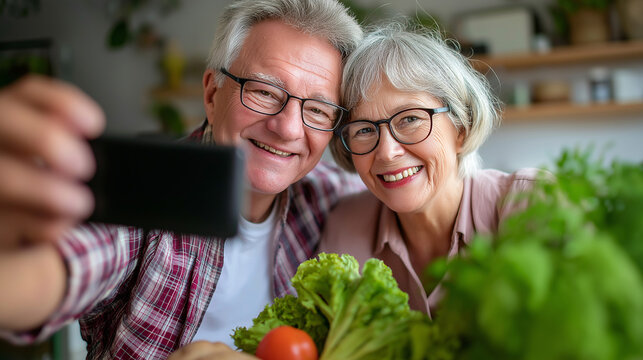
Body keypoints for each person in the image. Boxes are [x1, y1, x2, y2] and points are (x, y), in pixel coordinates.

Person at [0, 0, 363, 358]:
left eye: (317, 110)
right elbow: (60, 268)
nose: (287, 129)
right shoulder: (148, 191)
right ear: (211, 94)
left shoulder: (330, 197)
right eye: (264, 92)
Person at [319, 22, 541, 317]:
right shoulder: (346, 225)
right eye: (363, 130)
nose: (386, 152)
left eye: (410, 119)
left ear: (462, 128)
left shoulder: (526, 203)